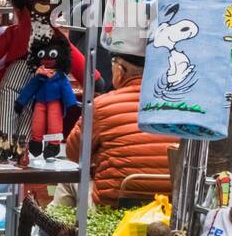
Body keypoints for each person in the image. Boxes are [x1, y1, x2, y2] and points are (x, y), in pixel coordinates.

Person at [62, 53, 176, 205]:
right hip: (167, 207)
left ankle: (54, 228)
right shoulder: (181, 108)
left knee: (66, 182)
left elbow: (74, 153)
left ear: (120, 71)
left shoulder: (101, 105)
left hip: (113, 206)